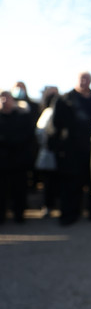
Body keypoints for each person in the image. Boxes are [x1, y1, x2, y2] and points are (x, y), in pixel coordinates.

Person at [51, 71, 91, 225]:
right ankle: (69, 214)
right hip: (71, 150)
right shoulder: (64, 100)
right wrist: (58, 148)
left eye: (87, 79)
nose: (84, 82)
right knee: (70, 184)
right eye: (81, 79)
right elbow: (55, 126)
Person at [0, 90, 36, 224]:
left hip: (19, 160)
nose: (4, 100)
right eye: (1, 98)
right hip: (2, 162)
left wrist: (9, 141)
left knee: (19, 190)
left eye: (7, 98)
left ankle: (19, 215)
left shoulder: (22, 116)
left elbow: (28, 136)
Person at [35, 86, 61, 218]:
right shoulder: (48, 112)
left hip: (61, 153)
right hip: (49, 152)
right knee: (48, 182)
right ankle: (48, 206)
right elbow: (40, 132)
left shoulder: (62, 110)